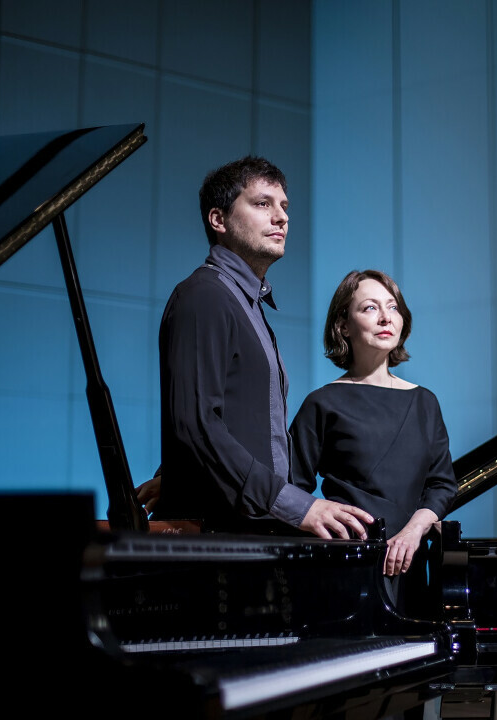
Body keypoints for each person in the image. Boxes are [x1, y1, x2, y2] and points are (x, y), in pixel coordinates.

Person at [151, 156, 374, 539]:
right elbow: (196, 425)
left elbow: (233, 421)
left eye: (284, 206)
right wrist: (296, 505)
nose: (281, 217)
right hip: (218, 538)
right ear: (218, 219)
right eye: (262, 203)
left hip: (245, 529)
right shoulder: (205, 296)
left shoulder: (244, 302)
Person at [289, 269, 457, 615]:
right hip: (346, 568)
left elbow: (442, 485)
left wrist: (413, 531)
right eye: (370, 308)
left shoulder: (425, 402)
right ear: (343, 326)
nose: (385, 317)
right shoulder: (322, 403)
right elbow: (291, 490)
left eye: (393, 307)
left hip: (411, 564)